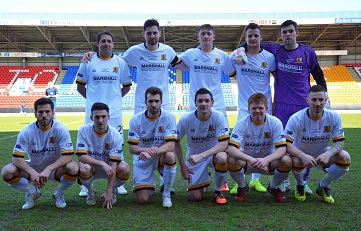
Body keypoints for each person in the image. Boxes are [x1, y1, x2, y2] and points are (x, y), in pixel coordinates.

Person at [82, 19, 185, 194]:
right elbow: (111, 59)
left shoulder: (168, 51)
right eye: (148, 33)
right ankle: (140, 175)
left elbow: (183, 64)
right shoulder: (134, 51)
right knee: (141, 140)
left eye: (155, 32)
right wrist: (91, 54)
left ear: (159, 33)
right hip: (141, 104)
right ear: (143, 34)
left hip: (164, 103)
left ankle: (164, 181)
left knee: (165, 140)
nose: (152, 36)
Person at [262, 20, 328, 194]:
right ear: (280, 35)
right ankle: (282, 180)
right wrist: (240, 49)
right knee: (282, 145)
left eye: (291, 31)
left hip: (303, 105)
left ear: (297, 33)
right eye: (284, 32)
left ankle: (303, 181)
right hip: (282, 106)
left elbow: (319, 76)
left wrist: (324, 97)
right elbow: (251, 42)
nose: (288, 35)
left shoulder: (307, 52)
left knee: (303, 145)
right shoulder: (275, 50)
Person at [176, 23, 236, 192]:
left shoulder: (222, 56)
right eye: (203, 34)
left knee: (220, 143)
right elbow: (178, 64)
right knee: (197, 137)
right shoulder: (190, 54)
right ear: (198, 37)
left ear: (214, 36)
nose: (206, 37)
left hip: (217, 105)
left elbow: (234, 72)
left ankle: (221, 180)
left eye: (209, 34)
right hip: (197, 104)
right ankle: (200, 171)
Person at [76, 31, 132, 197]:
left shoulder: (120, 62)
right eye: (103, 41)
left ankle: (116, 184)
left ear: (113, 45)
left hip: (114, 114)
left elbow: (126, 86)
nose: (106, 44)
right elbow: (80, 86)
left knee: (117, 147)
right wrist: (94, 107)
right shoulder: (88, 61)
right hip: (92, 114)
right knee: (89, 147)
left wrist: (112, 105)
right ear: (97, 44)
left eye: (109, 41)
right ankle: (86, 185)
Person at [1, 97, 78, 209]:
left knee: (73, 168)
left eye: (47, 111)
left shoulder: (61, 129)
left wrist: (49, 169)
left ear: (53, 113)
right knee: (7, 171)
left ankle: (59, 193)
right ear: (35, 114)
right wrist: (32, 171)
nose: (44, 115)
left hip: (55, 169)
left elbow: (68, 155)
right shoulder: (26, 131)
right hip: (34, 168)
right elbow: (16, 158)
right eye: (40, 112)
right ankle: (32, 192)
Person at [229, 22, 276, 195]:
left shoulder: (269, 58)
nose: (253, 38)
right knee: (241, 144)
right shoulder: (237, 55)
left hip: (264, 108)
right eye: (250, 36)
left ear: (261, 37)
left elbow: (276, 76)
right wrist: (240, 49)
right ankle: (239, 181)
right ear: (246, 38)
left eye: (256, 35)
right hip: (243, 108)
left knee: (262, 144)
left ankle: (256, 181)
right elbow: (229, 72)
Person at [285, 85, 350, 203]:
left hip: (322, 154)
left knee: (345, 157)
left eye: (321, 100)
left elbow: (340, 142)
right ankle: (300, 185)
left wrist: (328, 154)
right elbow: (287, 144)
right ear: (307, 100)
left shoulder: (334, 117)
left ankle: (323, 186)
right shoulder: (296, 118)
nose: (318, 103)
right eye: (314, 99)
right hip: (301, 154)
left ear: (325, 100)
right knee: (297, 160)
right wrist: (303, 156)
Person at [226, 93, 292, 203]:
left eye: (260, 108)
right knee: (232, 160)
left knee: (287, 160)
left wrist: (266, 160)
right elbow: (231, 149)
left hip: (267, 162)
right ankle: (242, 186)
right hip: (247, 161)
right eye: (254, 108)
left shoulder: (275, 122)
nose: (257, 111)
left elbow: (282, 149)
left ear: (266, 108)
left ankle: (274, 187)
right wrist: (251, 159)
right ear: (248, 109)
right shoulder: (241, 123)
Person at [175, 88, 229, 204]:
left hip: (212, 155)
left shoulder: (219, 117)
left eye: (206, 101)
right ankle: (205, 177)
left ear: (212, 103)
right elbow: (175, 141)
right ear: (195, 103)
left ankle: (218, 191)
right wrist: (183, 165)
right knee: (195, 197)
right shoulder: (186, 119)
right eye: (200, 101)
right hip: (194, 159)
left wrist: (202, 155)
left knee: (223, 158)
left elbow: (224, 144)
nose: (203, 104)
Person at [128, 87, 177, 208]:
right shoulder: (135, 120)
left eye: (156, 101)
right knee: (142, 199)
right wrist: (147, 151)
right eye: (150, 101)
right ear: (145, 103)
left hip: (160, 156)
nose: (154, 104)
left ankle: (166, 193)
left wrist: (152, 152)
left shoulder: (169, 117)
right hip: (142, 159)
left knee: (170, 156)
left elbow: (171, 145)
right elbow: (132, 149)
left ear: (161, 102)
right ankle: (149, 185)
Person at [76, 102, 130, 209]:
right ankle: (91, 191)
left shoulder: (115, 135)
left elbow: (113, 164)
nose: (100, 120)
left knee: (125, 168)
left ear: (108, 117)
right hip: (93, 167)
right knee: (83, 168)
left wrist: (108, 190)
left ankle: (112, 190)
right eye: (97, 117)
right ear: (91, 117)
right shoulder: (83, 131)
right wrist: (101, 163)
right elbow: (81, 157)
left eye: (103, 116)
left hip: (110, 167)